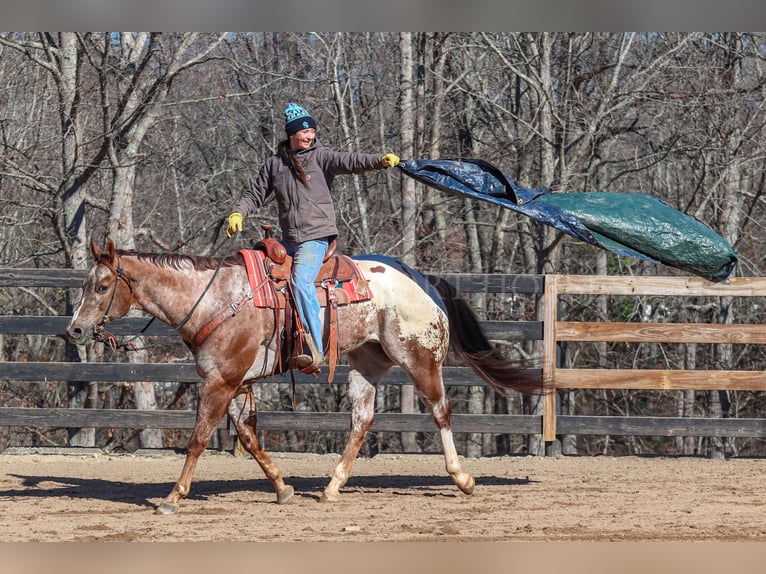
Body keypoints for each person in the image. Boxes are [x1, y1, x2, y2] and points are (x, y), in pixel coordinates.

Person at [226, 102, 400, 373]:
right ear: (291, 134)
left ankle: (312, 346)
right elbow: (254, 194)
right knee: (258, 272)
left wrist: (379, 160)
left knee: (300, 280)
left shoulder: (322, 157)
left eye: (312, 132)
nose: (309, 136)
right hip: (290, 240)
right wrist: (238, 213)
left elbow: (351, 161)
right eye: (304, 132)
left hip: (316, 237)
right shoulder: (275, 165)